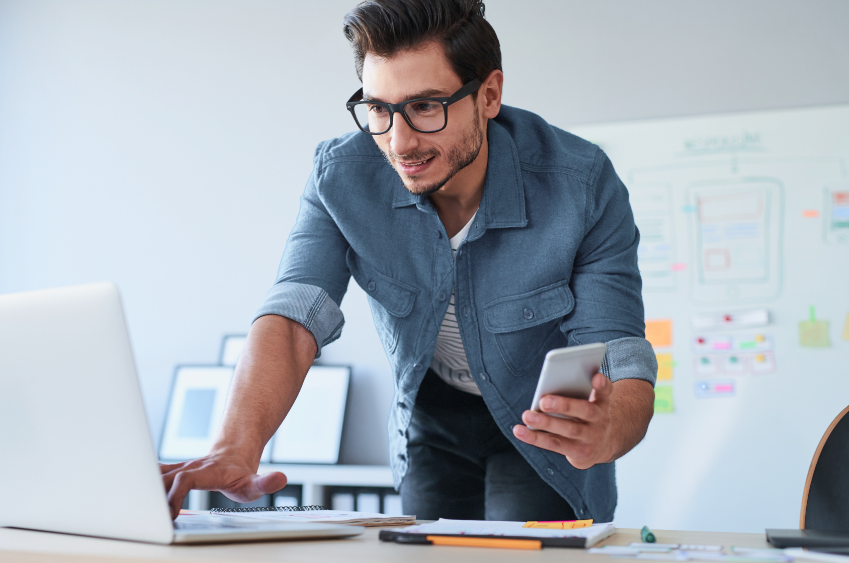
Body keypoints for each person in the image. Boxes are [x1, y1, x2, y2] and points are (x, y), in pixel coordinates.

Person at [161, 0, 657, 522]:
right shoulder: (340, 179)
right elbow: (293, 314)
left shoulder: (581, 185)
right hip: (432, 416)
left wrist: (610, 429)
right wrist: (236, 446)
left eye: (425, 107)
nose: (399, 142)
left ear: (489, 95)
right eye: (379, 108)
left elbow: (619, 353)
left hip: (540, 422)